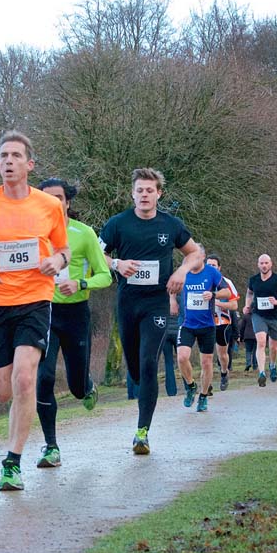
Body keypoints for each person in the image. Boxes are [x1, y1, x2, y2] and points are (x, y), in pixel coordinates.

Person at [0, 131, 69, 491]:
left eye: (16, 156)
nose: (8, 161)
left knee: (25, 378)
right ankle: (15, 445)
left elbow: (64, 250)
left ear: (29, 164)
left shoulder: (49, 205)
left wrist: (56, 261)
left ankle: (12, 462)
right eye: (3, 156)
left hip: (35, 300)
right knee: (2, 392)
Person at [99, 168, 204, 454]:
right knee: (135, 368)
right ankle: (138, 385)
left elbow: (195, 253)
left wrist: (182, 271)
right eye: (140, 190)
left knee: (148, 363)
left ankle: (142, 432)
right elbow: (98, 253)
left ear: (159, 194)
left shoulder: (171, 224)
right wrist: (117, 264)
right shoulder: (118, 224)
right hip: (127, 302)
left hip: (156, 303)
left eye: (150, 190)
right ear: (132, 194)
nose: (144, 195)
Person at [34, 178, 112, 469]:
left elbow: (105, 275)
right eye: (46, 198)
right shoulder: (32, 233)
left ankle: (87, 386)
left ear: (67, 202)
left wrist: (81, 283)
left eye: (58, 198)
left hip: (76, 314)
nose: (53, 203)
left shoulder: (84, 233)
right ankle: (51, 446)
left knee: (77, 387)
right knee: (44, 377)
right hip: (43, 312)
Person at [175, 259, 231, 411]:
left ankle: (204, 395)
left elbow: (227, 292)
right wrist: (172, 301)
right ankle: (191, 385)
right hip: (186, 323)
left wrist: (213, 294)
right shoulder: (183, 271)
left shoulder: (212, 272)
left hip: (207, 325)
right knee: (182, 357)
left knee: (206, 362)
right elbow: (171, 286)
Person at [242, 254, 277, 387]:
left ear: (271, 264)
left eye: (266, 263)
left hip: (275, 316)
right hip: (258, 315)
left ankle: (272, 365)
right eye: (261, 263)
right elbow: (249, 293)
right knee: (261, 341)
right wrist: (247, 305)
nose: (264, 265)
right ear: (258, 265)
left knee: (274, 347)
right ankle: (262, 373)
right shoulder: (253, 280)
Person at [205, 255, 239, 392]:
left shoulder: (227, 283)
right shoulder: (201, 281)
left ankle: (224, 372)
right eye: (208, 265)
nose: (211, 268)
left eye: (213, 265)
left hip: (222, 322)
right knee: (206, 355)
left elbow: (234, 305)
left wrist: (218, 303)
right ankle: (206, 383)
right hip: (205, 321)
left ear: (219, 268)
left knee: (222, 354)